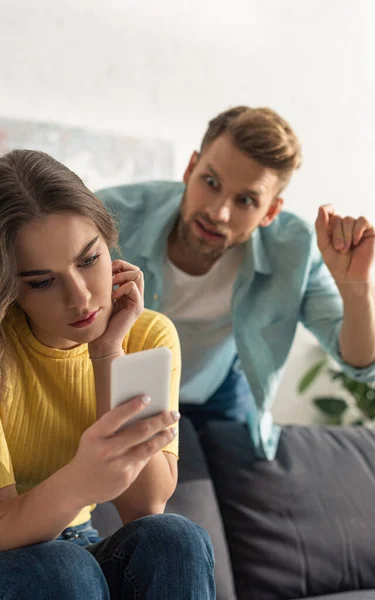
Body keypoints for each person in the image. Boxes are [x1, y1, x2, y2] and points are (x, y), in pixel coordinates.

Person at [97, 105, 375, 459]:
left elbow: (364, 365)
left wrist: (357, 285)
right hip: (117, 384)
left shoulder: (295, 251)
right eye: (211, 182)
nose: (218, 212)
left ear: (270, 212)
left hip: (217, 396)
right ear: (190, 168)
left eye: (245, 200)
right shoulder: (109, 217)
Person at [0, 149, 216, 600]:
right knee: (66, 569)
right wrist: (81, 480)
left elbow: (144, 505)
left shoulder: (148, 335)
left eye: (88, 260)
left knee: (175, 539)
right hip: (15, 558)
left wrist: (107, 352)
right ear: (10, 287)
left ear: (108, 241)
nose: (80, 298)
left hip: (79, 548)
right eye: (42, 281)